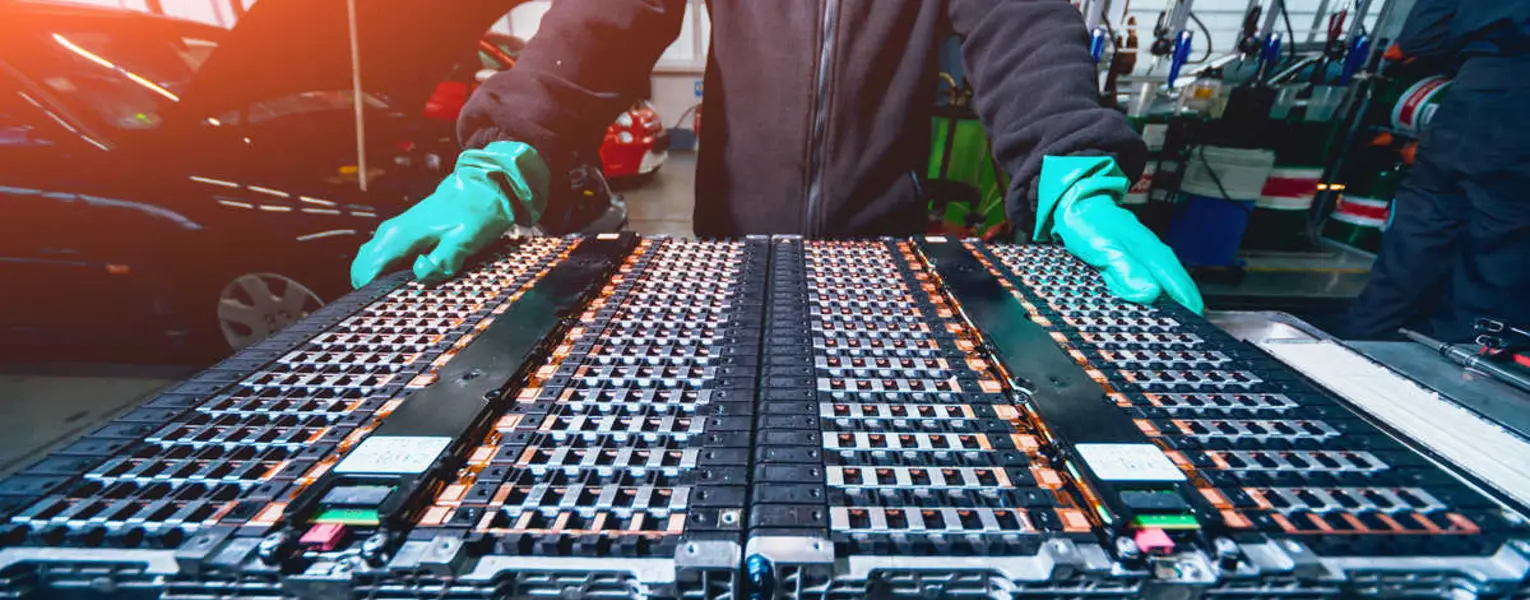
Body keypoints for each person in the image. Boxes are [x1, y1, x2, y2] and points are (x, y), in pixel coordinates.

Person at [349, 1, 1203, 314]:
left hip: (882, 265)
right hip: (732, 255)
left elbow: (1020, 26)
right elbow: (601, 21)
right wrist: (505, 152)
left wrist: (1071, 167)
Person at [1345, 0, 1530, 341]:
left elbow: (1420, 37)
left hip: (1472, 94)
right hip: (1519, 111)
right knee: (1498, 255)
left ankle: (1353, 357)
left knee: (1417, 237)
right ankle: (1461, 376)